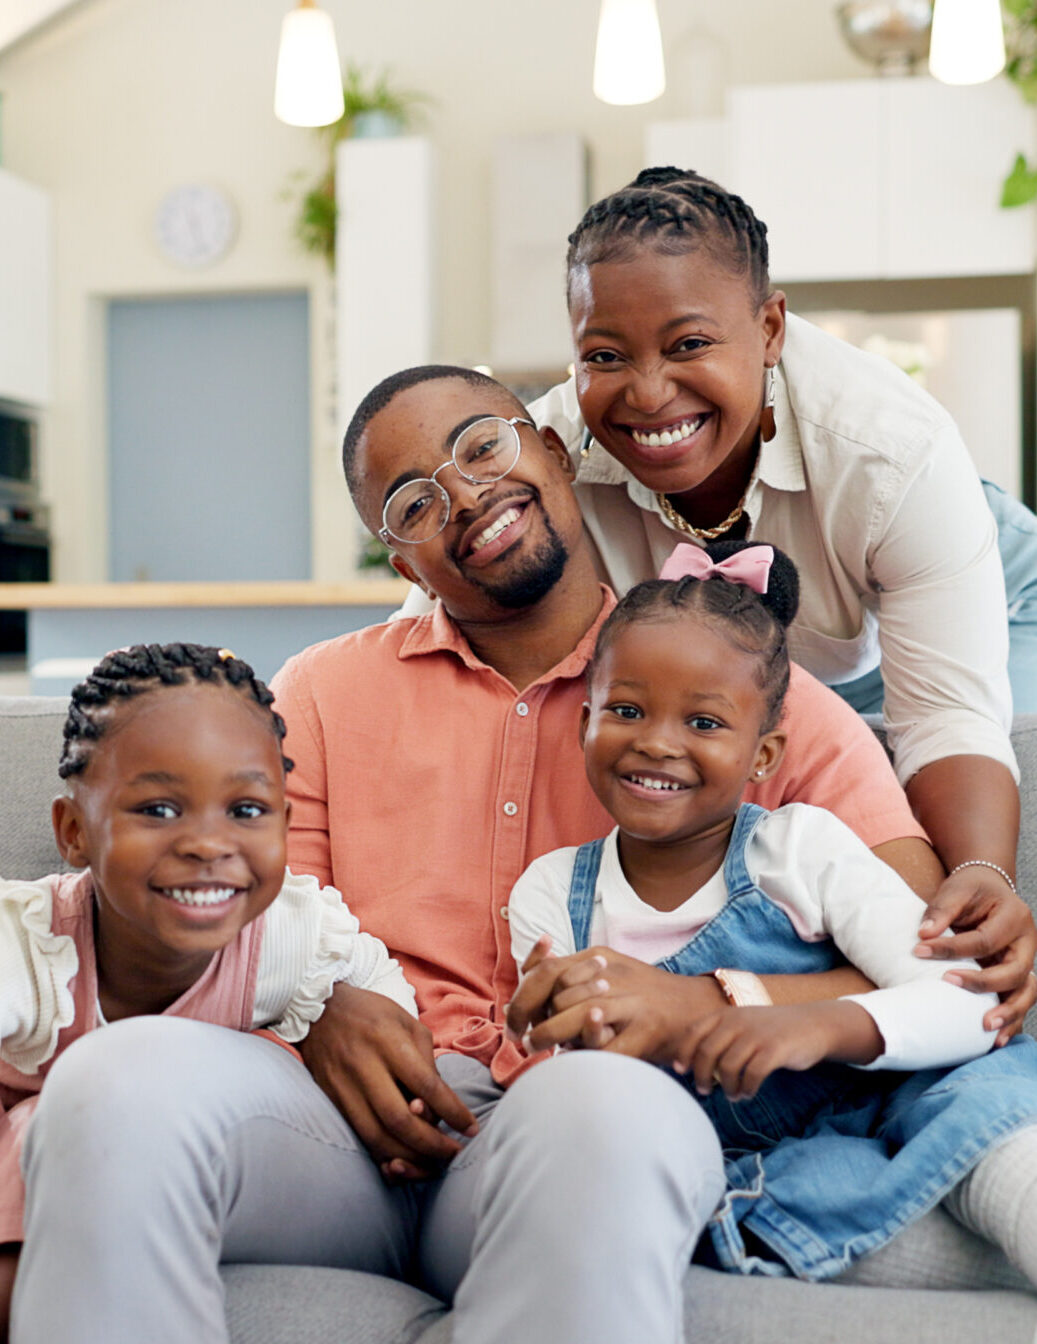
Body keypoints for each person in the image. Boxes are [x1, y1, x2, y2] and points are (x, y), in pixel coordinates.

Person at [16, 370, 1033, 1343]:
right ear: (400, 563)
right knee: (117, 1080)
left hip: (568, 1120)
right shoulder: (317, 695)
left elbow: (921, 945)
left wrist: (713, 1003)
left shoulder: (736, 683)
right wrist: (316, 1004)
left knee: (598, 1102)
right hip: (330, 1144)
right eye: (413, 502)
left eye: (481, 446)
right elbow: (267, 909)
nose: (463, 495)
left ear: (550, 450)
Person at [521, 165, 1037, 971]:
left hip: (991, 600)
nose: (648, 393)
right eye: (605, 355)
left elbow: (944, 714)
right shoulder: (550, 456)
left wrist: (981, 875)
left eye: (689, 344)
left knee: (1005, 788)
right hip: (760, 671)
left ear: (768, 328)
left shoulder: (892, 450)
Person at [506, 540, 1037, 1291]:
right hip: (750, 1162)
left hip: (900, 1098)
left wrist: (814, 1023)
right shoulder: (550, 893)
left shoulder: (800, 848)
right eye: (626, 710)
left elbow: (970, 1004)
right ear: (583, 722)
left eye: (704, 723)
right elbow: (579, 1083)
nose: (657, 742)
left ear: (764, 756)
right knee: (782, 1204)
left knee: (983, 1110)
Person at [6, 644, 415, 1344]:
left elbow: (389, 1021)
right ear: (74, 833)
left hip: (199, 1173)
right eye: (159, 808)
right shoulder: (24, 950)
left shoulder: (294, 936)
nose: (206, 843)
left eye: (246, 809)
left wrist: (314, 1040)